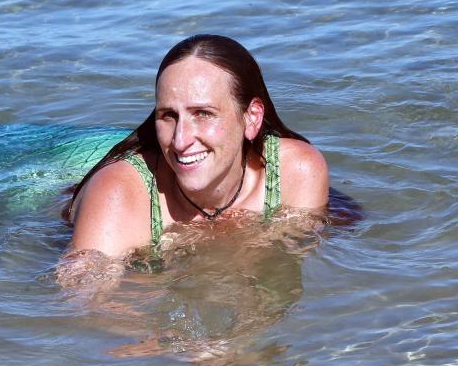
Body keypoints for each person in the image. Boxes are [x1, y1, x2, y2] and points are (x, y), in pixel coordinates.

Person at [68, 34, 328, 259]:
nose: (180, 141)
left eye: (203, 113)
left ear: (252, 117)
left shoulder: (296, 171)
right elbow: (84, 308)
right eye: (168, 115)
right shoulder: (116, 193)